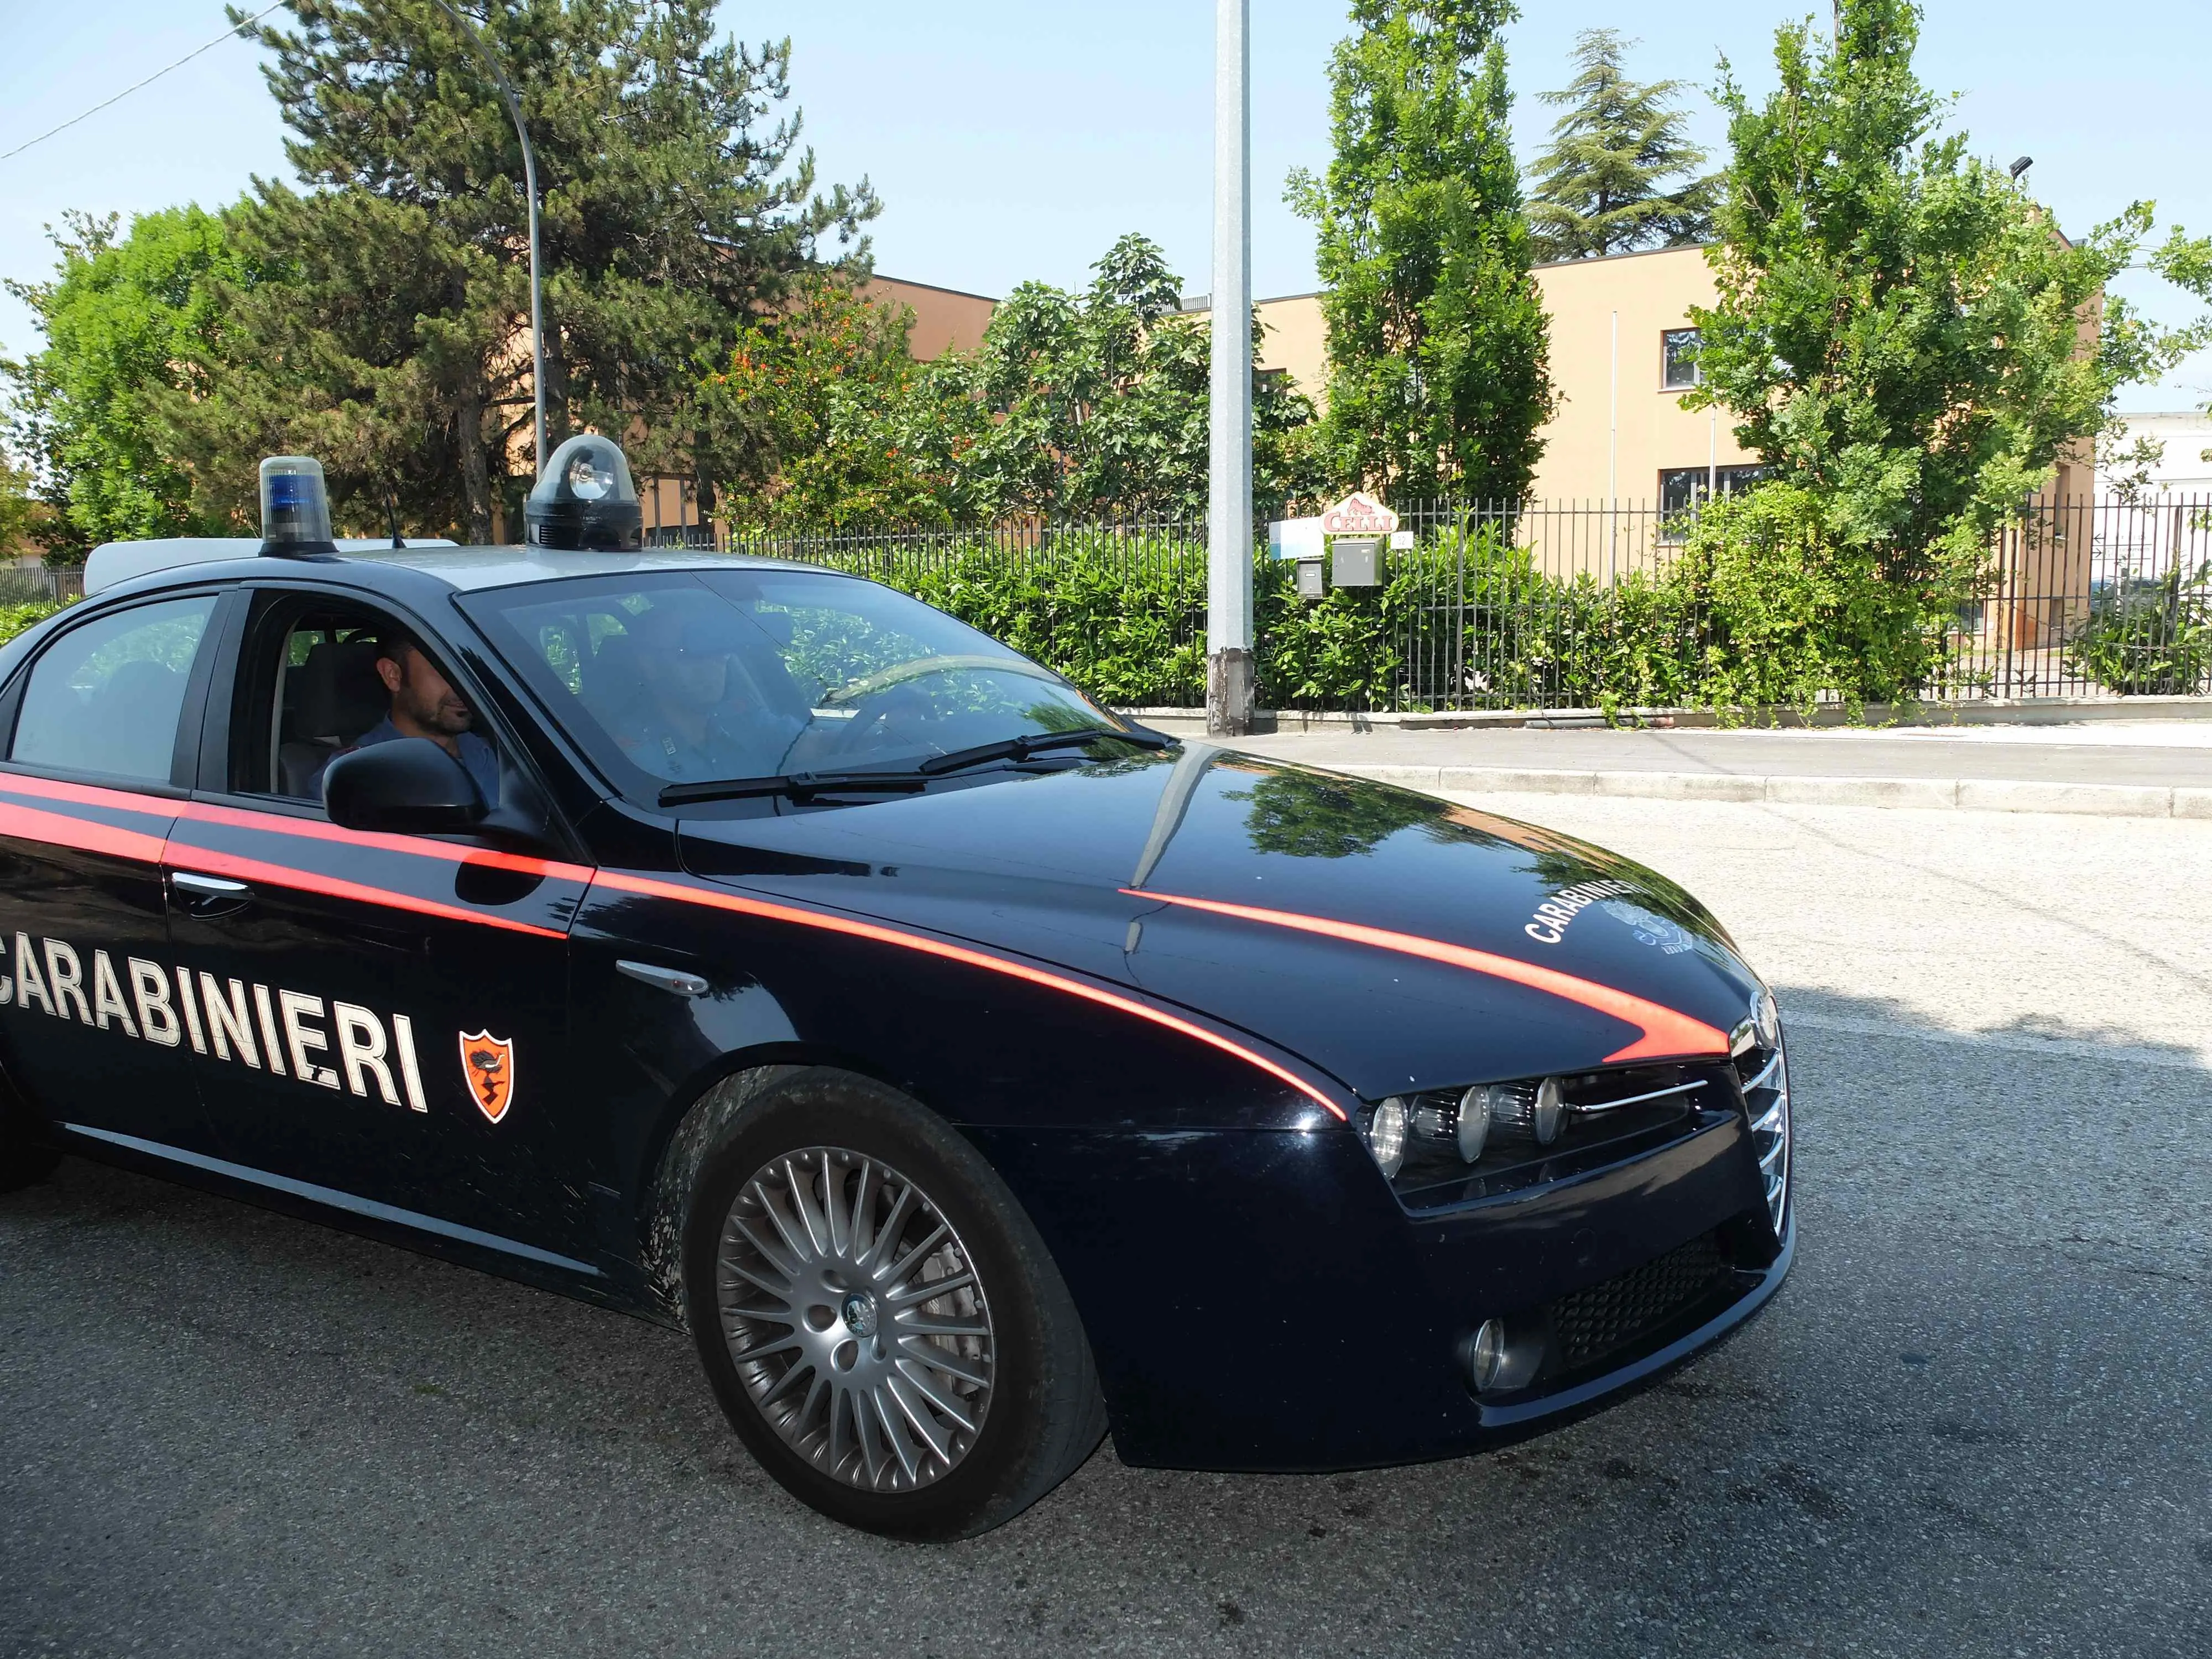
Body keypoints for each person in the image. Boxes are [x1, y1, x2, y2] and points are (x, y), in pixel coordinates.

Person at [326, 629, 503, 804]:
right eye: (444, 670)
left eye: (469, 671)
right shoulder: (352, 775)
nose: (464, 687)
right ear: (393, 675)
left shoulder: (502, 752)